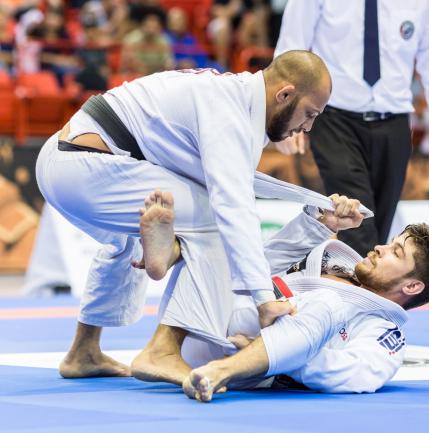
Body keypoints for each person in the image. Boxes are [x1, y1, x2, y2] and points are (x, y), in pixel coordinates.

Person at [35, 50, 332, 378]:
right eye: (309, 113)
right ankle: (162, 350)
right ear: (284, 95)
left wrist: (319, 202)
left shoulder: (234, 99)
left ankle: (84, 352)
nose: (308, 126)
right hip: (85, 168)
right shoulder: (229, 112)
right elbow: (233, 205)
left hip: (69, 161)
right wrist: (264, 299)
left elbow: (240, 182)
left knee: (127, 241)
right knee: (213, 219)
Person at [130, 191, 429, 400]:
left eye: (395, 252)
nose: (380, 247)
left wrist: (277, 351)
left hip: (240, 359)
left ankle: (220, 369)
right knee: (227, 232)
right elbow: (256, 264)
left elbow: (352, 374)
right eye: (391, 242)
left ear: (412, 287)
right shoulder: (338, 264)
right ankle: (163, 333)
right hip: (202, 318)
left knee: (327, 304)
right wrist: (322, 224)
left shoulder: (384, 331)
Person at [272, 0, 429, 257]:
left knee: (381, 224)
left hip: (395, 119)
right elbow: (292, 46)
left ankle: (361, 278)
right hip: (335, 118)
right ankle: (361, 280)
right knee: (357, 222)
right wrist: (284, 115)